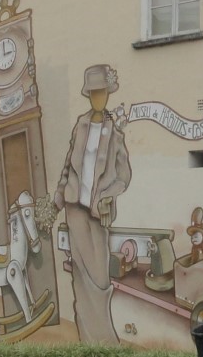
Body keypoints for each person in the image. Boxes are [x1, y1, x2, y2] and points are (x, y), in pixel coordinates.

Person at [53, 64, 132, 343]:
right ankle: (88, 339)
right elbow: (67, 169)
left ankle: (104, 339)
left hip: (99, 213)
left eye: (102, 92)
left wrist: (109, 193)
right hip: (74, 208)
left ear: (108, 94)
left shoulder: (116, 133)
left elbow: (124, 176)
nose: (98, 97)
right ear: (88, 94)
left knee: (99, 278)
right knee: (80, 275)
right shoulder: (81, 125)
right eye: (94, 92)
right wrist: (57, 202)